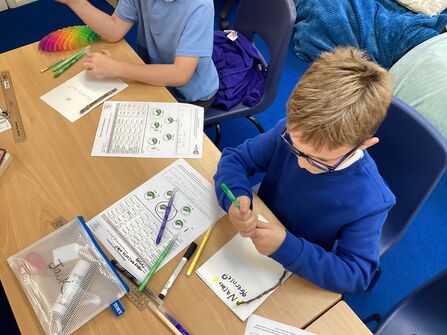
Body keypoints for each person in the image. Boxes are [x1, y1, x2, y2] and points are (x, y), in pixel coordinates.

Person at [213, 47, 396, 293]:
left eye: (319, 160)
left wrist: (286, 247)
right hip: (260, 236)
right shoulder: (288, 131)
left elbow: (356, 275)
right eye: (294, 146)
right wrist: (236, 197)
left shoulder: (370, 201)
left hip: (297, 263)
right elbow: (235, 160)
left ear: (364, 145)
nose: (300, 163)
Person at [55, 0, 218, 108]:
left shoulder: (200, 6)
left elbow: (180, 75)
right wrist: (76, 2)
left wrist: (116, 68)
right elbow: (114, 30)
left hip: (190, 96)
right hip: (153, 77)